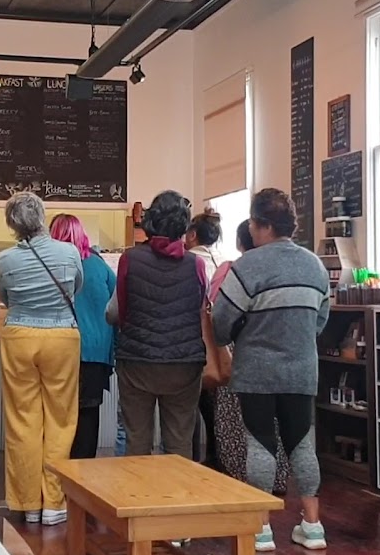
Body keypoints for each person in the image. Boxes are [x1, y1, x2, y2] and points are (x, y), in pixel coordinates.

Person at [211, 188, 331, 552]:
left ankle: (261, 529)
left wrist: (239, 334)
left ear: (262, 224)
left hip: (257, 371)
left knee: (260, 442)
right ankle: (313, 525)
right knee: (302, 443)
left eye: (252, 222)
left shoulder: (248, 266)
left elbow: (221, 322)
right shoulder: (315, 265)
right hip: (302, 371)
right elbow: (320, 321)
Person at [0, 192, 84, 526]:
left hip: (19, 336)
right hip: (61, 335)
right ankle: (54, 503)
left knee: (22, 421)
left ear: (12, 224)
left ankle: (27, 502)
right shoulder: (69, 252)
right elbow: (76, 288)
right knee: (61, 420)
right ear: (43, 217)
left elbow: (5, 298)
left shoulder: (5, 260)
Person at [106, 190, 207, 459]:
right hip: (184, 364)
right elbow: (199, 309)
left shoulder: (130, 259)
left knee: (137, 441)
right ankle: (176, 486)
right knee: (179, 443)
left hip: (137, 361)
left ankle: (139, 487)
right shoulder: (196, 264)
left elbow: (120, 311)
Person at [209, 221, 292, 494]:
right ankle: (276, 479)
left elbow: (219, 313)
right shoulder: (282, 271)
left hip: (241, 352)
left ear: (240, 242)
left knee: (237, 419)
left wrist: (221, 340)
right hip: (280, 353)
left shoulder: (234, 270)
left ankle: (239, 477)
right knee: (274, 420)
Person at [49, 214, 117, 459]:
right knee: (88, 415)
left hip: (57, 349)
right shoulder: (99, 265)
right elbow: (118, 306)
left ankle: (56, 471)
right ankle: (84, 472)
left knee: (56, 414)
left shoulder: (49, 265)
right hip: (94, 352)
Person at [184, 208, 224, 469]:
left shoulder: (187, 262)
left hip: (192, 340)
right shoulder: (224, 262)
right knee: (215, 406)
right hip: (220, 342)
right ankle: (216, 456)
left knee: (188, 406)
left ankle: (190, 460)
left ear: (192, 234)